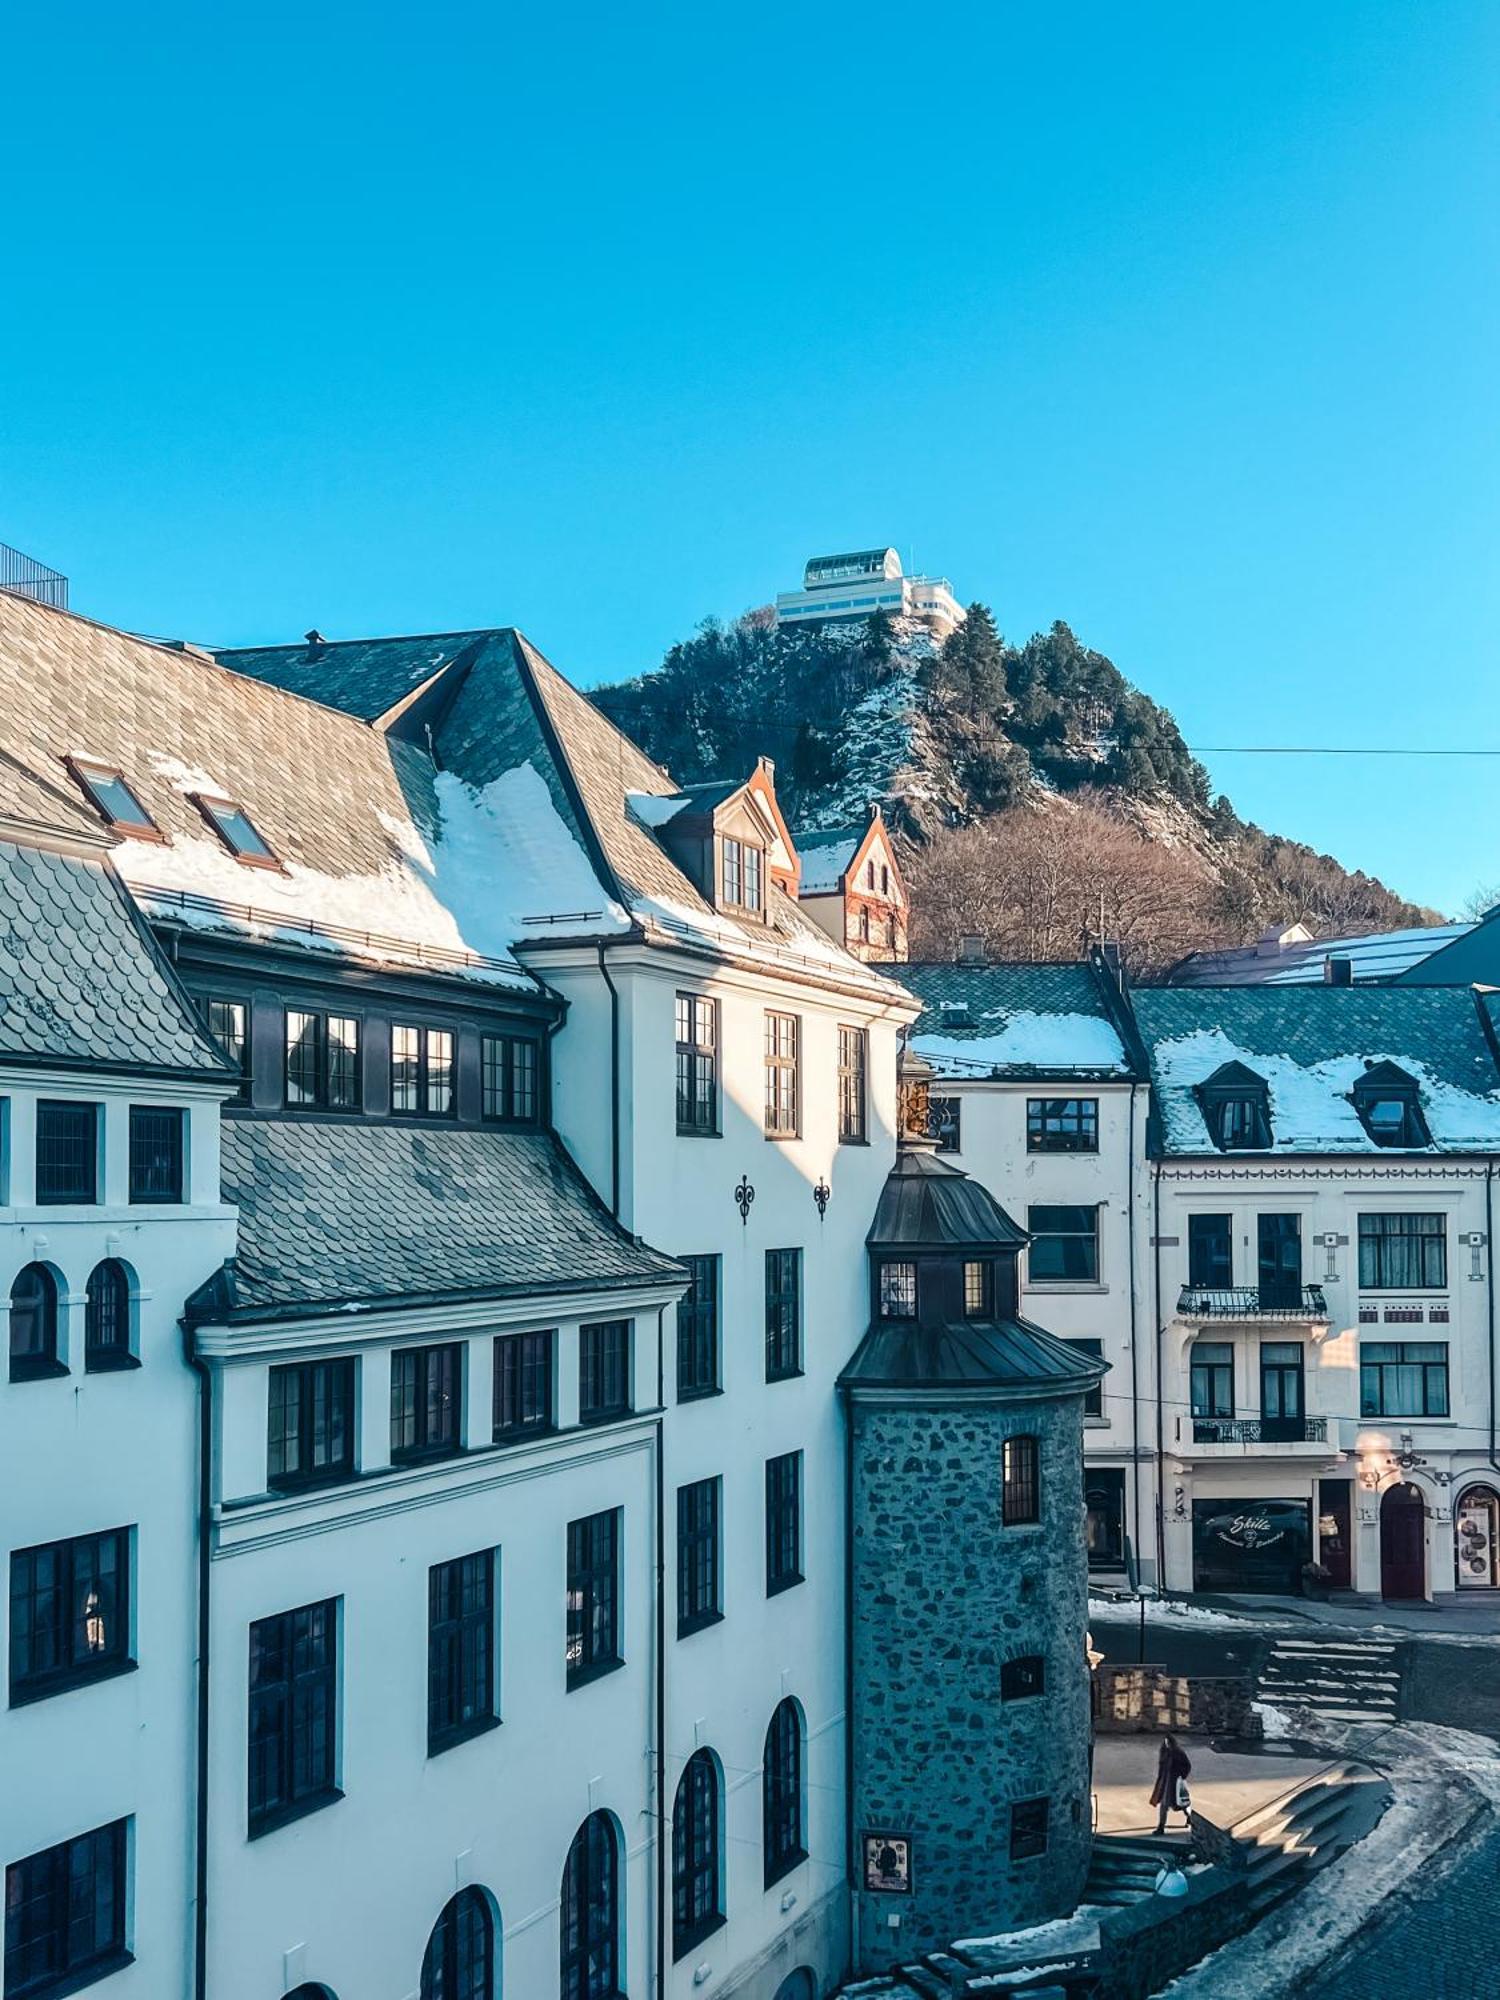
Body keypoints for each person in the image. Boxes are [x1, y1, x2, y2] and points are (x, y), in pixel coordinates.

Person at [1150, 1731, 1192, 1835]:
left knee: (1180, 1803)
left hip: (1173, 1782)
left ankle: (1189, 1817)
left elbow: (1187, 1766)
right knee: (1164, 1805)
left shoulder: (1178, 1753)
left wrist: (1180, 1777)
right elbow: (1161, 1767)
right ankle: (1161, 1827)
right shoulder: (1164, 1752)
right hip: (1165, 1782)